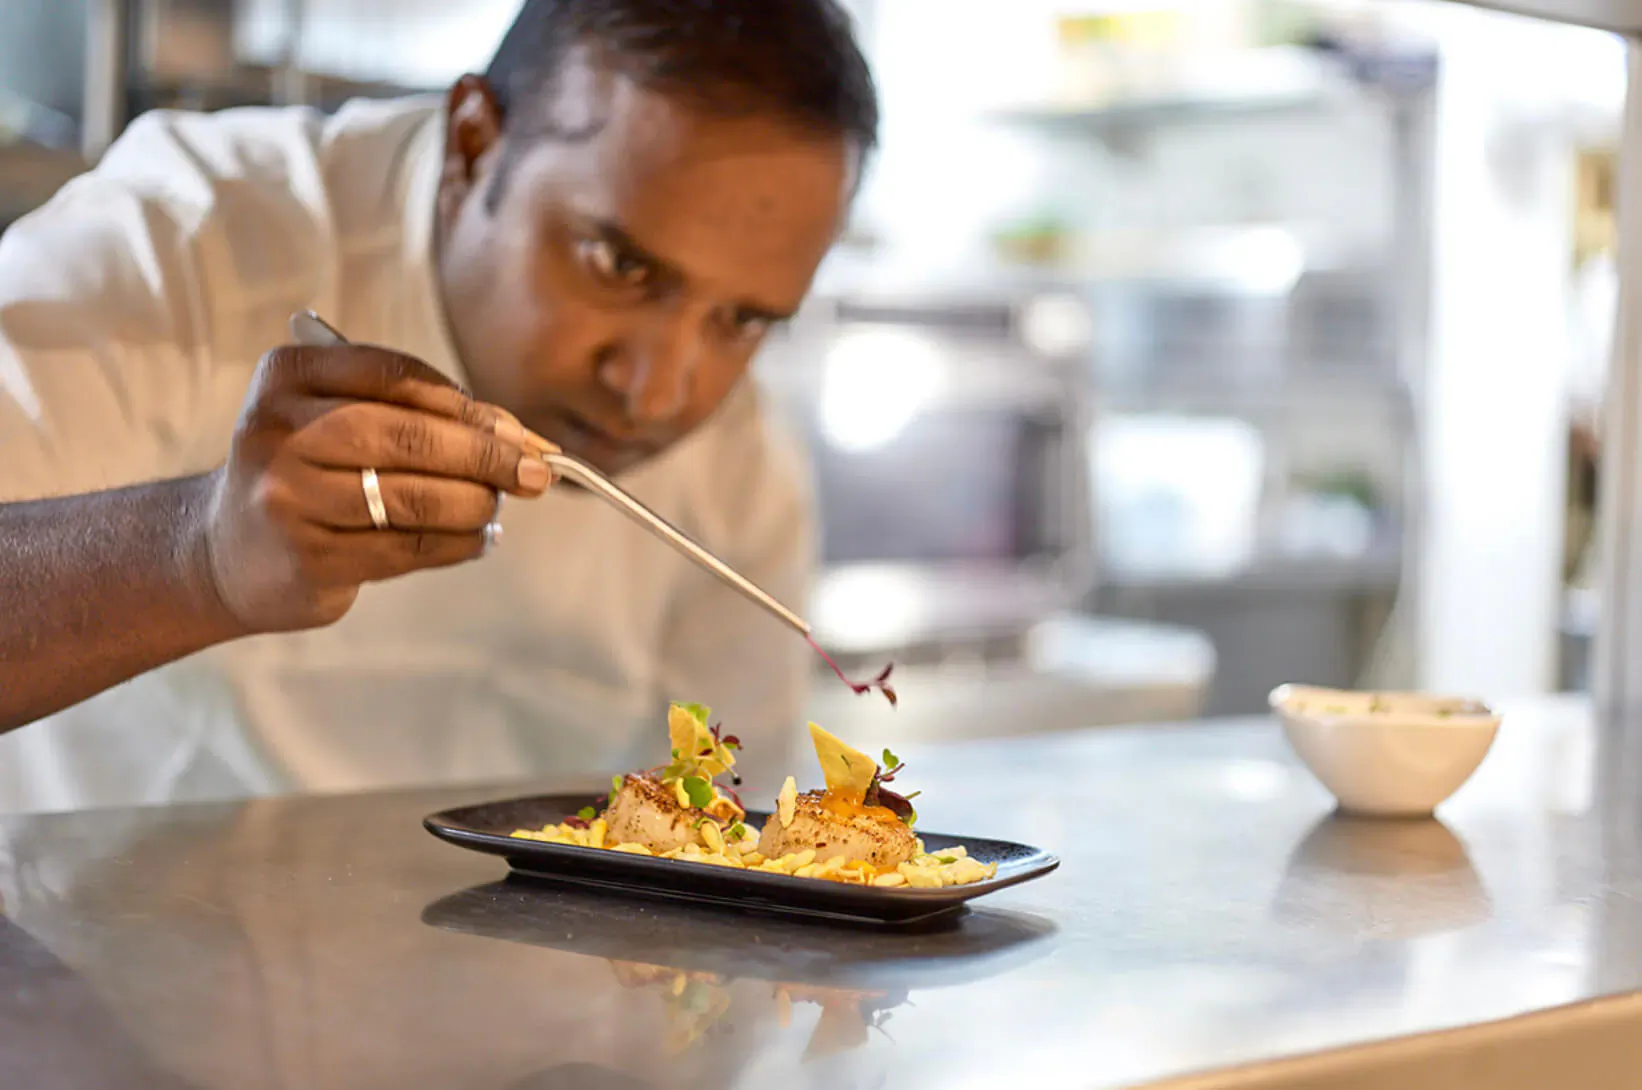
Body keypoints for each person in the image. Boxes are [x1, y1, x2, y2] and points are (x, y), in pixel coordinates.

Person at [0, 0, 878, 811]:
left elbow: (736, 837)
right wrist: (200, 555)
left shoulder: (746, 473)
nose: (657, 390)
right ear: (473, 145)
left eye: (743, 320)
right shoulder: (181, 242)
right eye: (619, 266)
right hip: (88, 921)